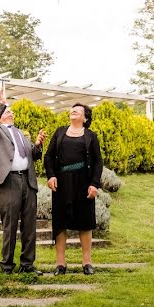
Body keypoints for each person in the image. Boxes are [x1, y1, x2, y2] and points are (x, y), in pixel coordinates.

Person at [0, 82, 46, 274]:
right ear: (1, 115)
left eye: (11, 111)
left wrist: (37, 145)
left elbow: (32, 156)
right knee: (9, 225)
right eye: (7, 111)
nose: (11, 113)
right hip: (8, 182)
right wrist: (0, 104)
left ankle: (27, 265)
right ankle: (7, 266)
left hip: (28, 181)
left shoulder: (20, 134)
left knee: (29, 226)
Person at [44, 102, 103, 275]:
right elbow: (48, 156)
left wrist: (94, 184)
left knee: (85, 222)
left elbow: (98, 161)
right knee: (60, 223)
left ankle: (87, 263)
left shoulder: (91, 136)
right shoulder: (60, 132)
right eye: (72, 109)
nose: (73, 110)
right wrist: (51, 175)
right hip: (61, 184)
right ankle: (61, 264)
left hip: (83, 184)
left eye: (78, 110)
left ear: (85, 118)